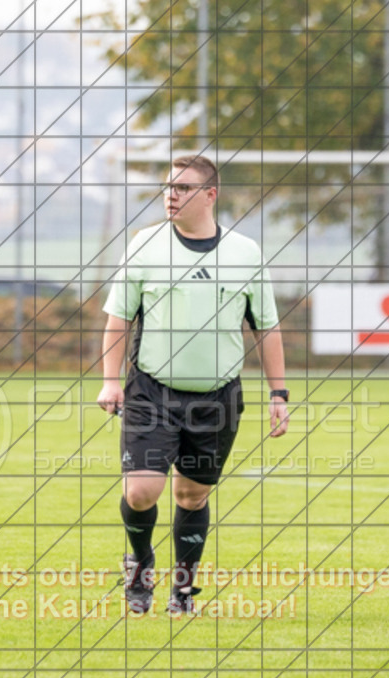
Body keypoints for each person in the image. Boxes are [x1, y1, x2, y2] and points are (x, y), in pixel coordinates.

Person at [97, 154, 290, 615]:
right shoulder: (144, 245)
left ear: (209, 195)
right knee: (141, 490)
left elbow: (267, 328)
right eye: (168, 187)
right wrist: (110, 381)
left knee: (191, 494)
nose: (171, 194)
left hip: (217, 398)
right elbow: (119, 318)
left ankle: (182, 589)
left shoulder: (245, 253)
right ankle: (141, 564)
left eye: (182, 188)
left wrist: (278, 394)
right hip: (152, 391)